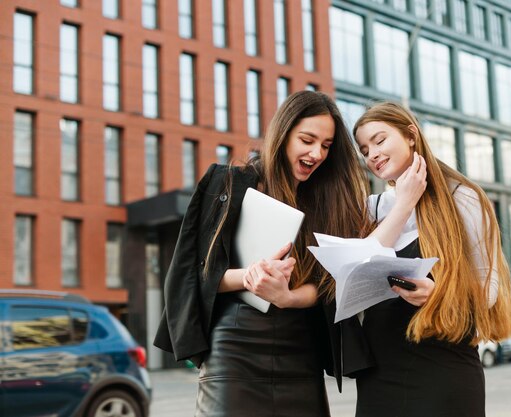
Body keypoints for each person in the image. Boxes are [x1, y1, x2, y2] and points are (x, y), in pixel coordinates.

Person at [153, 91, 372, 416]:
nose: (317, 153)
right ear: (283, 134)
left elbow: (330, 284)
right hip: (234, 348)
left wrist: (289, 297)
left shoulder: (328, 204)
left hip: (301, 351)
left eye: (326, 146)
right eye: (307, 140)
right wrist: (250, 275)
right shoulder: (227, 183)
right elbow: (194, 276)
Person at [350, 101, 511, 417]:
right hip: (380, 374)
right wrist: (404, 203)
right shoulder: (373, 209)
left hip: (445, 366)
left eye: (379, 140)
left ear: (411, 135)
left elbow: (489, 291)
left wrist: (436, 295)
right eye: (363, 149)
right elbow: (357, 273)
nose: (371, 154)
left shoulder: (463, 197)